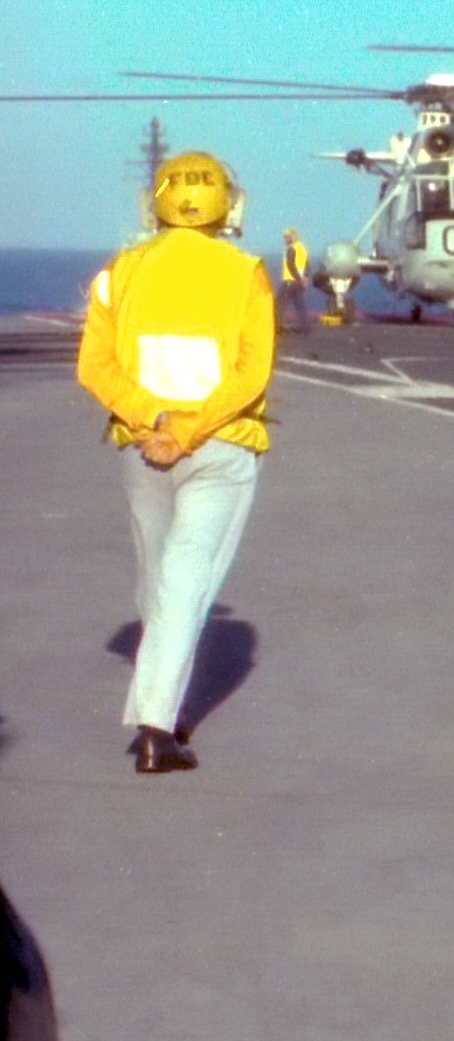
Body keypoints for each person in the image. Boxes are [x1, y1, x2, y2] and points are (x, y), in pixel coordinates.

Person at [76, 151, 275, 775]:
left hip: (143, 447)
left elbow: (94, 366)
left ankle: (161, 702)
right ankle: (158, 726)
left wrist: (152, 421)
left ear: (155, 203)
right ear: (229, 205)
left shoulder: (122, 271)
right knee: (187, 579)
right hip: (219, 445)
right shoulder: (245, 273)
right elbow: (252, 371)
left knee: (156, 576)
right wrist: (188, 428)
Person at [277, 227, 312, 333]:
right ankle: (305, 327)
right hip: (298, 283)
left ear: (291, 237)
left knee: (280, 304)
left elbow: (290, 265)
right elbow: (307, 266)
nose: (285, 240)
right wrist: (305, 278)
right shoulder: (303, 249)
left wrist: (299, 278)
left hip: (289, 281)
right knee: (300, 305)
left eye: (286, 237)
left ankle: (278, 328)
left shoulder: (291, 249)